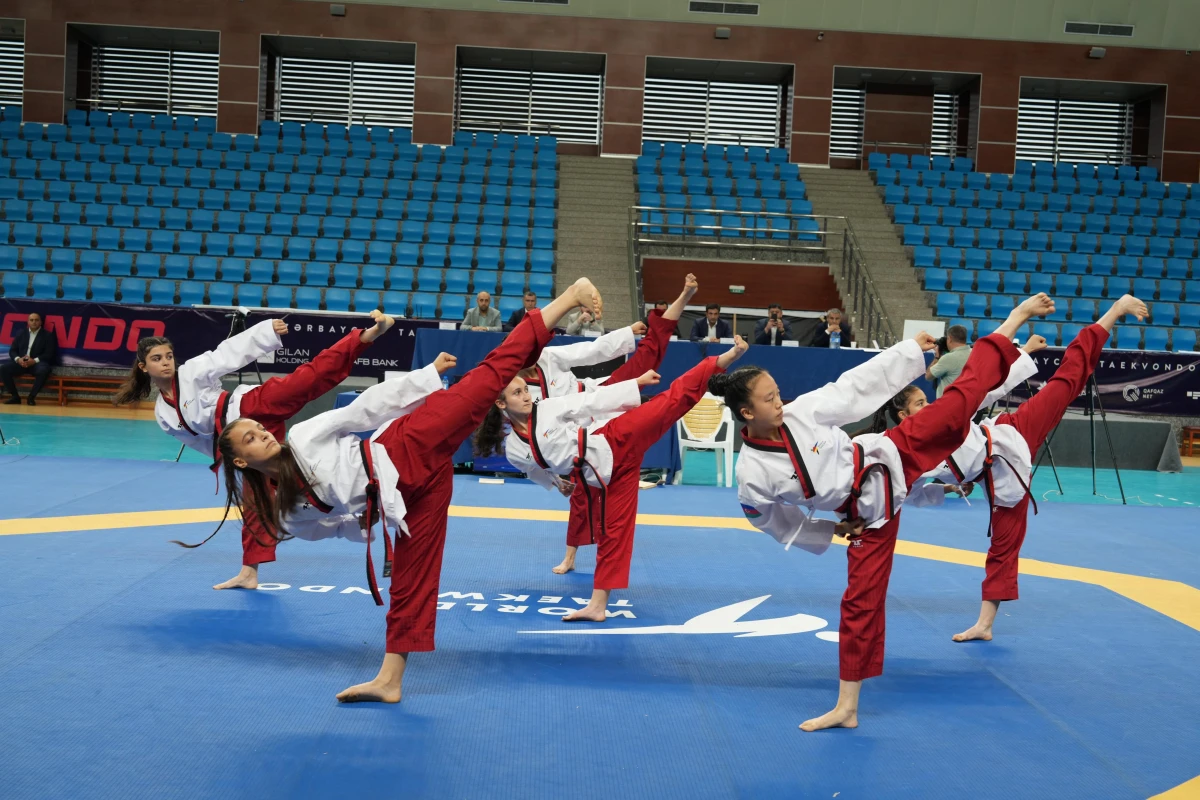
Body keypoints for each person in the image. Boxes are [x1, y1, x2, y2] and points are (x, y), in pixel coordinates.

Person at [217, 278, 601, 703]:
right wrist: (361, 522)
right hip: (402, 500)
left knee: (490, 377)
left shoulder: (304, 436)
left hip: (404, 446)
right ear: (240, 461)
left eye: (258, 429)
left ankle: (568, 296)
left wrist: (424, 378)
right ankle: (390, 680)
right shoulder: (289, 513)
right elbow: (337, 527)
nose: (264, 436)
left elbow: (365, 408)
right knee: (411, 579)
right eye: (250, 440)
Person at [714, 293, 1055, 732]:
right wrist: (828, 529)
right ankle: (847, 707)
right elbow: (766, 519)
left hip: (889, 456)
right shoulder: (752, 473)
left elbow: (854, 387)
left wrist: (908, 352)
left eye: (777, 393)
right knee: (859, 603)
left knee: (958, 404)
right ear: (747, 413)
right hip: (865, 515)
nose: (780, 402)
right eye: (769, 399)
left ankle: (1013, 321)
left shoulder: (803, 413)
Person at [905, 295, 1148, 644]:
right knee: (1004, 546)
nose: (927, 404)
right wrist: (952, 485)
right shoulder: (907, 447)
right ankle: (985, 624)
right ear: (903, 417)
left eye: (924, 399)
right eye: (918, 404)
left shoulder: (945, 412)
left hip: (1012, 430)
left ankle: (1114, 310)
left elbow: (987, 390)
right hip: (1001, 475)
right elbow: (913, 486)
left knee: (1068, 381)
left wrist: (1025, 354)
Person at [113, 312, 392, 590]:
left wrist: (265, 332)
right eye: (156, 359)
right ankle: (250, 571)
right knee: (258, 502)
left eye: (168, 356)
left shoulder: (191, 373)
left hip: (249, 409)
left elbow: (226, 354)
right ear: (143, 367)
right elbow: (201, 441)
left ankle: (366, 336)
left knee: (306, 379)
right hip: (243, 444)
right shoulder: (164, 415)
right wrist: (230, 459)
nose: (165, 363)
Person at [489, 336, 750, 622]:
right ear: (501, 404)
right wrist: (554, 482)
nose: (527, 396)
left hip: (616, 441)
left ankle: (721, 361)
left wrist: (634, 384)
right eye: (517, 393)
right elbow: (533, 469)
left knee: (671, 401)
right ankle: (597, 606)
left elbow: (589, 400)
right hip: (604, 475)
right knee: (614, 533)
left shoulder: (547, 410)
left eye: (526, 390)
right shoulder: (513, 447)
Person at [477, 274, 699, 575]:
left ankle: (682, 299)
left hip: (594, 396)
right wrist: (554, 482)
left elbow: (589, 352)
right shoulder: (509, 390)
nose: (528, 354)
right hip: (576, 434)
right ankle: (570, 556)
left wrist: (626, 334)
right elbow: (529, 455)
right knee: (581, 497)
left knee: (647, 359)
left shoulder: (549, 357)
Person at [2, 312, 57, 406]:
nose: (34, 322)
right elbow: (12, 351)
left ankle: (31, 397)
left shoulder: (48, 335)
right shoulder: (21, 333)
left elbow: (49, 354)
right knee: (3, 369)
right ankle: (15, 397)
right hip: (21, 363)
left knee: (44, 370)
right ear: (28, 322)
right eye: (31, 320)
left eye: (36, 320)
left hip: (37, 363)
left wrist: (34, 361)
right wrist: (18, 359)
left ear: (41, 322)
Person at [927, 324, 971, 397]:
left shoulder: (948, 358)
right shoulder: (975, 353)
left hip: (949, 403)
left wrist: (937, 356)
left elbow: (928, 376)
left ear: (949, 338)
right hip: (969, 400)